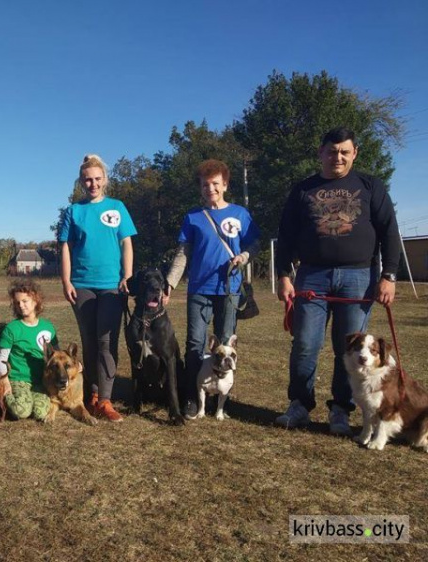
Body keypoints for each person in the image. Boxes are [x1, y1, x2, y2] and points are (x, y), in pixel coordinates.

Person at [274, 127, 400, 436]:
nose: (338, 157)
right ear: (320, 153)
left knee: (351, 350)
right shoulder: (303, 189)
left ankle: (341, 409)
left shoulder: (371, 186)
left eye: (344, 151)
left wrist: (389, 276)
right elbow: (286, 235)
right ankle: (300, 405)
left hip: (359, 277)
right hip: (312, 275)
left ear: (355, 153)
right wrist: (283, 275)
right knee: (305, 344)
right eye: (331, 151)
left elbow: (389, 232)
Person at [165, 159, 260, 419]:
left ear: (225, 185)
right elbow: (183, 253)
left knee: (226, 340)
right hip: (199, 289)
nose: (211, 189)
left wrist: (243, 257)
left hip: (229, 289)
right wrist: (170, 282)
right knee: (195, 344)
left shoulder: (241, 214)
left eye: (216, 184)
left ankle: (222, 398)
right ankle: (192, 399)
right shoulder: (193, 217)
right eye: (206, 185)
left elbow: (254, 245)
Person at [59, 154, 136, 422]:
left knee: (107, 343)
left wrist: (127, 276)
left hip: (112, 286)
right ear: (81, 182)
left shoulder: (117, 207)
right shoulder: (74, 211)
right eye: (88, 180)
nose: (93, 184)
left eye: (97, 179)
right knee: (89, 342)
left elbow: (126, 243)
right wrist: (66, 281)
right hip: (81, 286)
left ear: (105, 180)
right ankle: (91, 395)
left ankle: (105, 399)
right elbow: (66, 247)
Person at [0, 279, 56, 421]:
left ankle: (32, 399)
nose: (21, 306)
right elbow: (1, 358)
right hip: (17, 379)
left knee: (40, 413)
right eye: (17, 303)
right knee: (22, 411)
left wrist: (77, 365)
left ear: (35, 300)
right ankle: (4, 397)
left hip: (40, 380)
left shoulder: (48, 327)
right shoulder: (12, 329)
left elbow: (57, 355)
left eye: (25, 301)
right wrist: (5, 382)